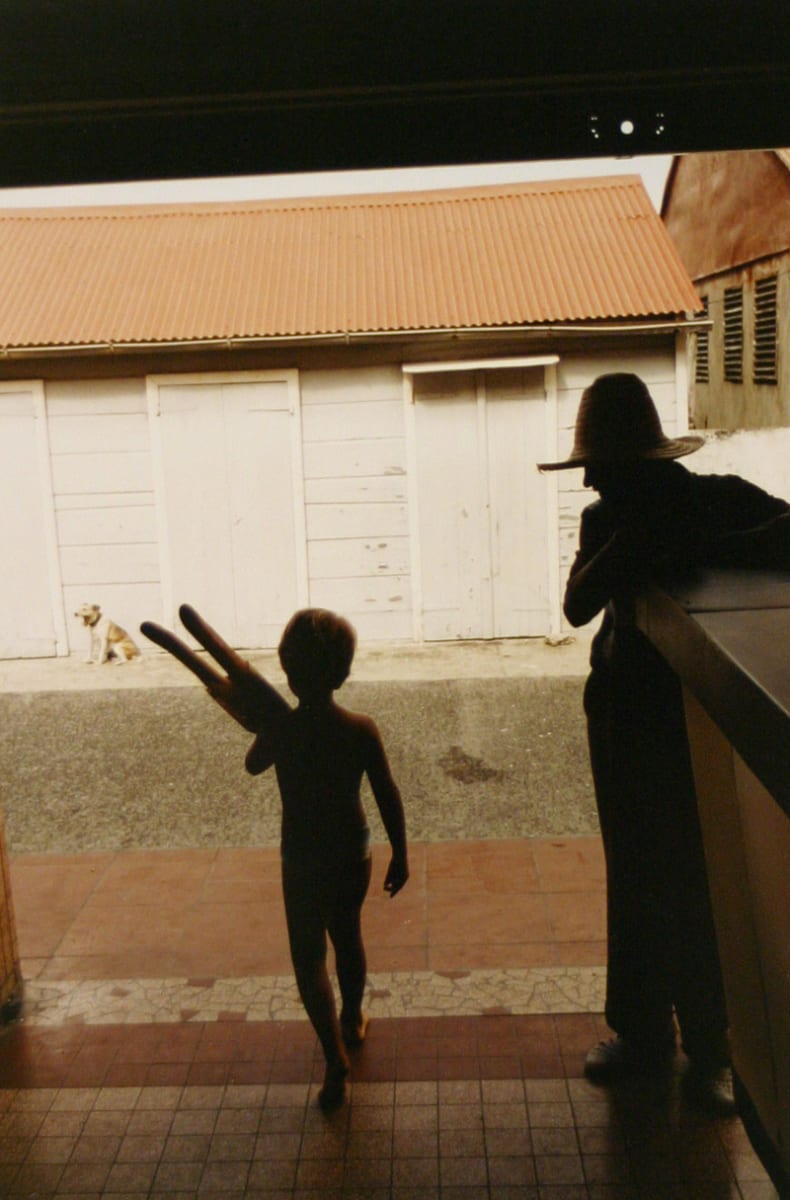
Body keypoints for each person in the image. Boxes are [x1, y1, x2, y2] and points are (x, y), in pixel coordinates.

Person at [539, 372, 790, 1113]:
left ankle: (712, 1045)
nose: (586, 478)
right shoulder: (607, 522)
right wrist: (635, 545)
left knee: (694, 880)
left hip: (683, 719)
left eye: (596, 463)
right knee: (637, 879)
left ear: (631, 463)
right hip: (618, 713)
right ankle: (643, 1032)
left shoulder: (710, 500)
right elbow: (579, 602)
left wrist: (697, 542)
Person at [207, 607, 409, 1111]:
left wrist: (266, 723)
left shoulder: (282, 731)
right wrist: (401, 854)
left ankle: (333, 1056)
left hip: (301, 855)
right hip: (352, 850)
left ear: (288, 671)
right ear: (342, 671)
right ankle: (354, 1014)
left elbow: (252, 766)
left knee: (308, 957)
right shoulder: (361, 729)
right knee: (348, 936)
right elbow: (388, 793)